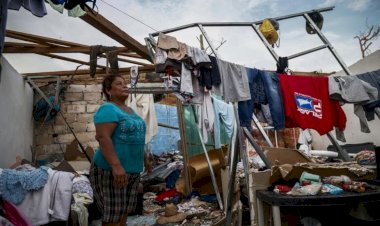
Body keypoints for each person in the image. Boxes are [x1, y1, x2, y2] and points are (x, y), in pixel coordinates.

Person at [89, 74, 152, 226]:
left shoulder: (130, 111)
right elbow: (103, 138)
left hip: (132, 170)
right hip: (111, 170)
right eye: (119, 84)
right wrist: (116, 166)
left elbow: (135, 138)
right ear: (108, 90)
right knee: (112, 215)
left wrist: (145, 159)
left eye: (125, 83)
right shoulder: (107, 109)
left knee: (123, 211)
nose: (125, 86)